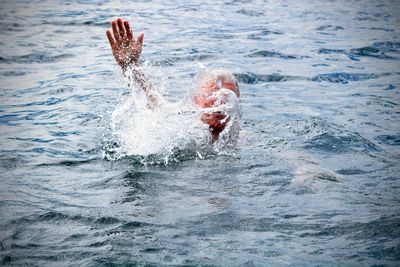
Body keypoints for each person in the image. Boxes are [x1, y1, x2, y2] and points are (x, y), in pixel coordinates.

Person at [106, 18, 240, 142]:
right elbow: (152, 100)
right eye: (214, 98)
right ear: (196, 101)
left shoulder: (241, 141)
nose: (221, 106)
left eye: (229, 100)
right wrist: (130, 65)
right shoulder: (180, 129)